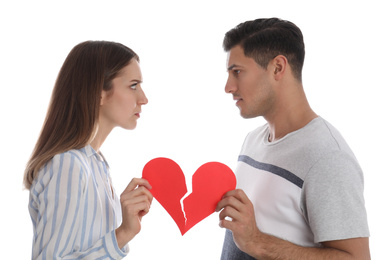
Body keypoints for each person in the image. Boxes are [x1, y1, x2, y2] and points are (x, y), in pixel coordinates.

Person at [215, 18, 370, 259]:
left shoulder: (327, 158)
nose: (228, 86)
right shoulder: (252, 141)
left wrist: (258, 242)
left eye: (237, 72)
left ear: (278, 67)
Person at [23, 41, 153, 259]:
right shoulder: (68, 164)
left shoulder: (97, 165)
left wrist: (125, 231)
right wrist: (122, 233)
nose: (144, 99)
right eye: (133, 85)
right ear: (98, 93)